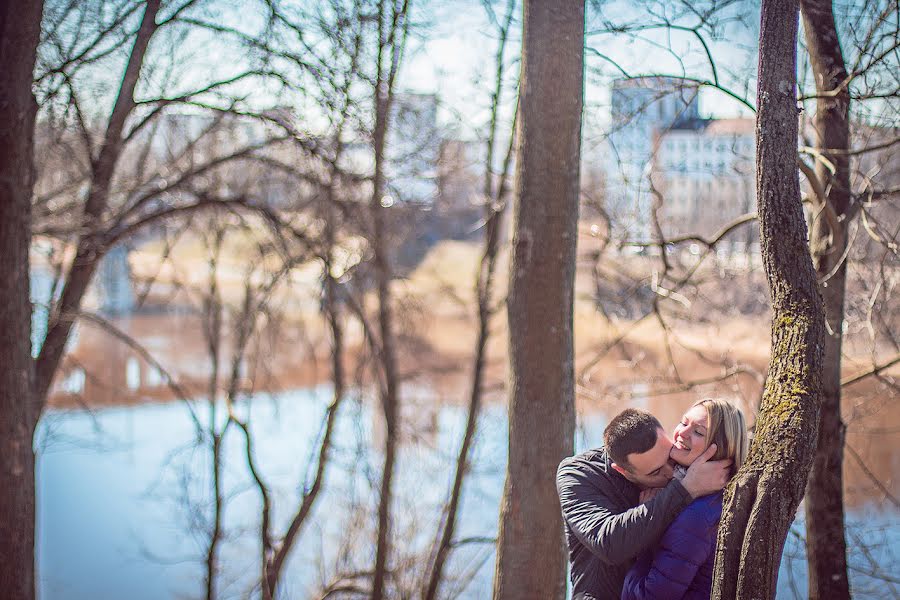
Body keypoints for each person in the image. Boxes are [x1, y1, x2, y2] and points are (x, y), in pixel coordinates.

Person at [557, 408, 732, 600]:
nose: (670, 474)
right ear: (623, 472)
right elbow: (610, 543)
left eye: (670, 460)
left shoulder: (687, 466)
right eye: (655, 472)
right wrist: (685, 489)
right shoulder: (578, 474)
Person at [621, 399, 748, 600]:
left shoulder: (697, 516)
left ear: (721, 448)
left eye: (698, 432)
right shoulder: (715, 498)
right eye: (683, 422)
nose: (682, 433)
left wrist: (647, 535)